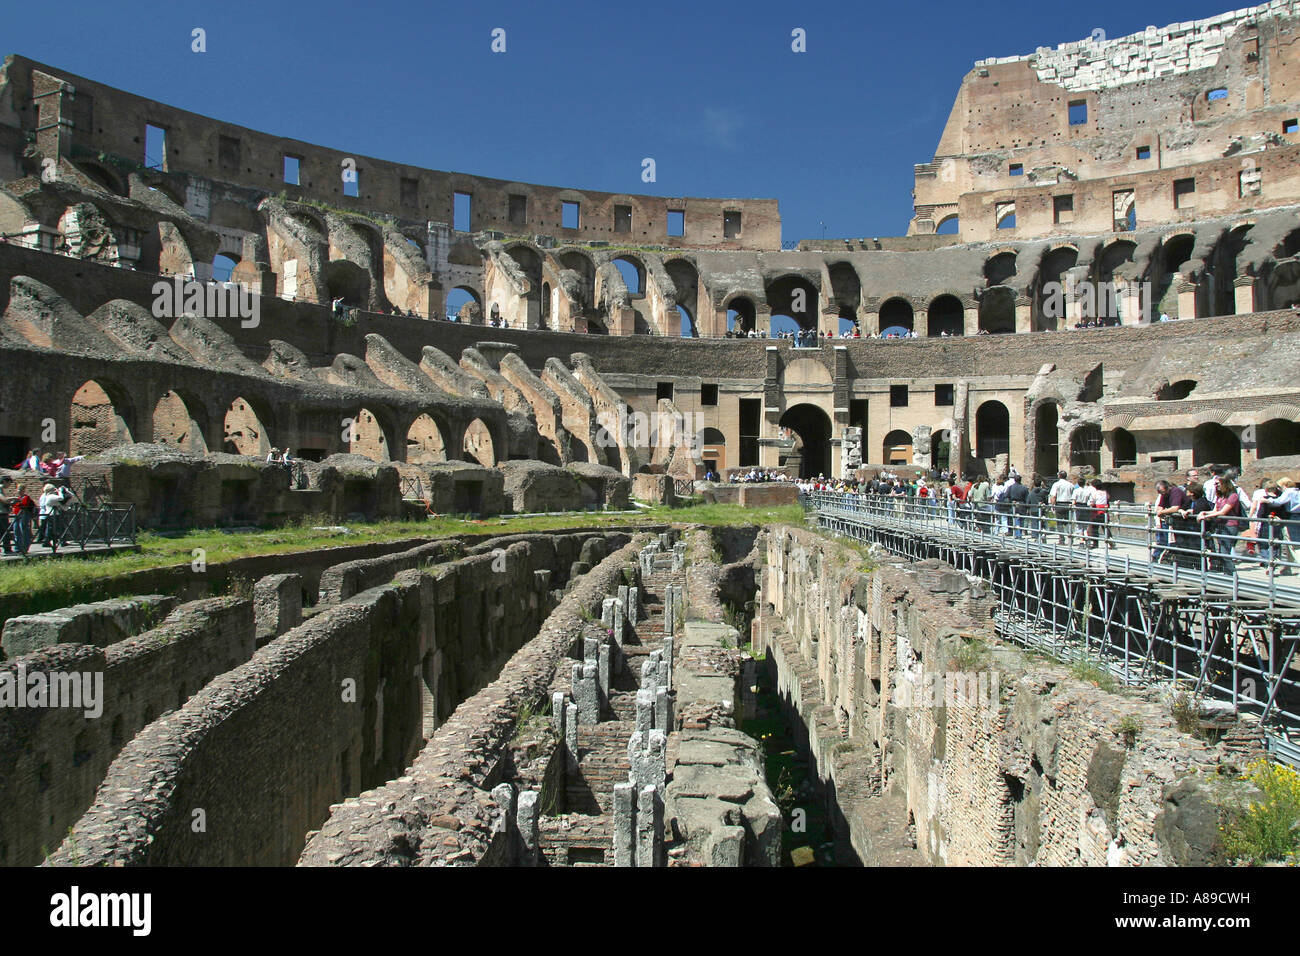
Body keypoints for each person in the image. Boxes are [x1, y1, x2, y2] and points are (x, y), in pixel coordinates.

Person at [36, 483, 71, 552]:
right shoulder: (51, 496)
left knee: (50, 528)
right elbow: (61, 498)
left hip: (48, 513)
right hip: (53, 514)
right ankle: (60, 541)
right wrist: (60, 492)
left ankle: (48, 541)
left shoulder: (45, 496)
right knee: (59, 528)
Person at [1049, 471, 1076, 544]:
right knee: (1068, 522)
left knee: (1060, 522)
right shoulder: (1070, 485)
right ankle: (1070, 537)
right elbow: (1073, 496)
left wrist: (1052, 505)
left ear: (1059, 476)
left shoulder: (1056, 484)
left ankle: (1061, 539)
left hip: (1060, 503)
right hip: (1068, 504)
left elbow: (1053, 496)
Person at [9, 490, 35, 555]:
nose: (18, 492)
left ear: (23, 491)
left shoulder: (26, 497)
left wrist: (16, 503)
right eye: (17, 490)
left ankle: (24, 547)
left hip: (23, 515)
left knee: (23, 530)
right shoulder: (17, 498)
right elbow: (14, 506)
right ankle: (17, 548)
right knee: (16, 531)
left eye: (20, 490)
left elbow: (24, 505)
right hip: (16, 515)